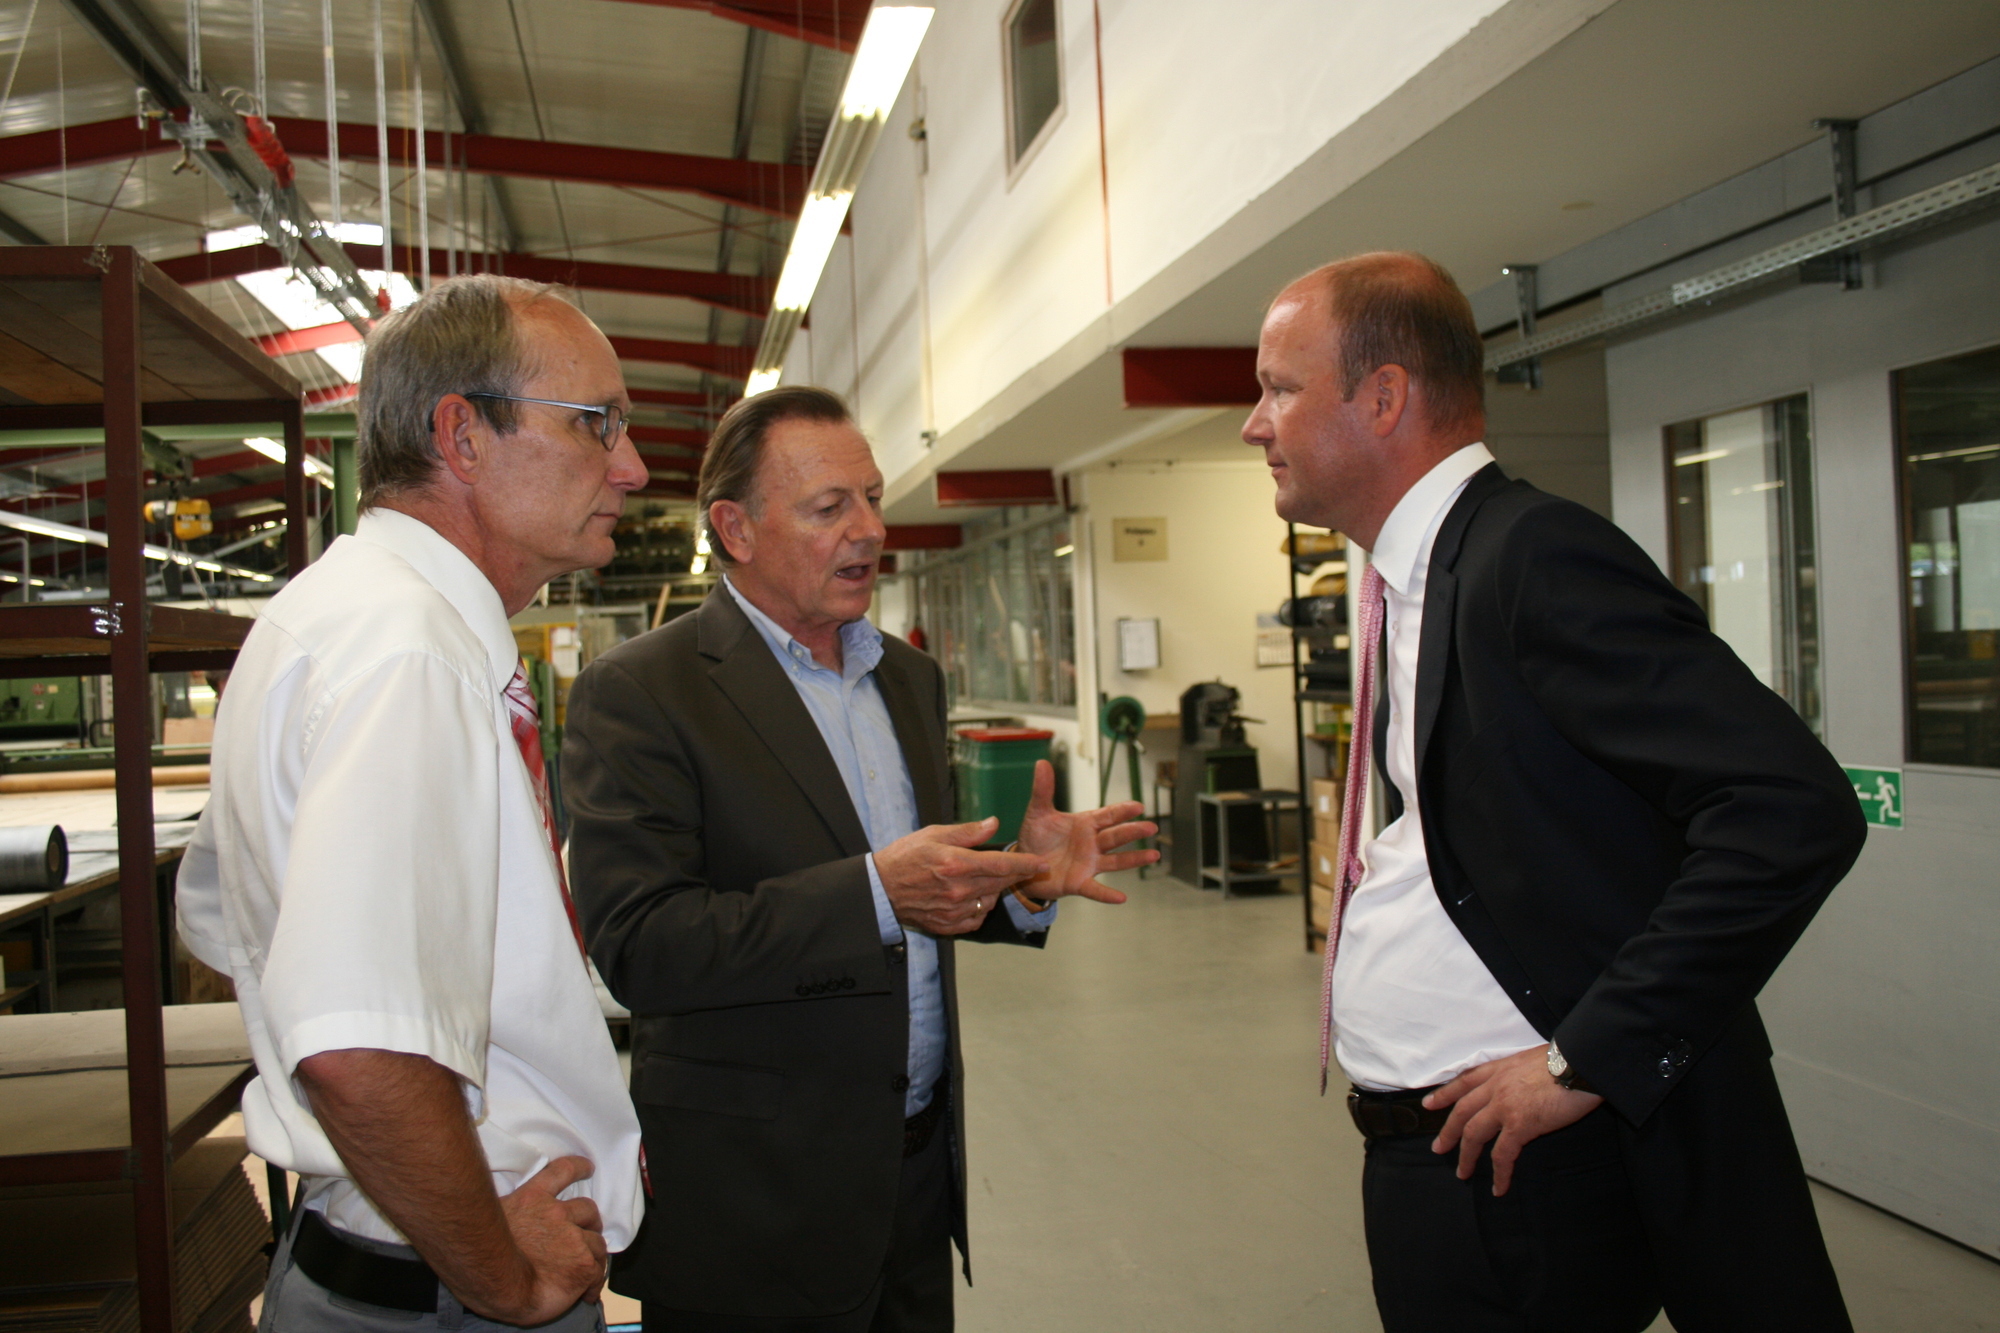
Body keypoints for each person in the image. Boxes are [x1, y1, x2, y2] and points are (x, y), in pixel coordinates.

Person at [1242, 252, 1865, 1331]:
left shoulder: (1528, 557)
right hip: (1441, 1152)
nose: (1256, 424)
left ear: (1381, 397)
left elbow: (1787, 805)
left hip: (1526, 1172)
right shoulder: (1414, 580)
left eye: (1279, 388)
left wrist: (1590, 1054)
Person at [561, 385, 1156, 1332]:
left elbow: (931, 892)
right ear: (735, 528)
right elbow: (640, 945)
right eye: (829, 507)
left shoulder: (907, 678)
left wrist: (1024, 883)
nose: (870, 529)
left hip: (913, 1182)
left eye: (873, 499)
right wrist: (875, 893)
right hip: (758, 1207)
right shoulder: (642, 693)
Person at [178, 274, 650, 1331]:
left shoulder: (334, 616)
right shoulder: (412, 655)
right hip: (443, 1291)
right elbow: (356, 1046)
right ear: (462, 435)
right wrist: (504, 1277)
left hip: (383, 1255)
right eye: (595, 425)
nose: (631, 465)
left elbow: (215, 916)